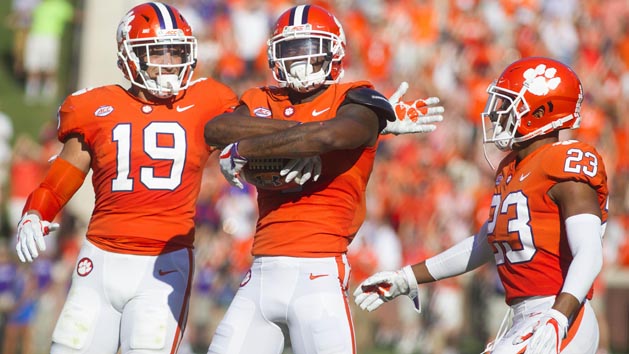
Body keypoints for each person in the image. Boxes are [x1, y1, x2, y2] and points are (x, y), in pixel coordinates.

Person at [202, 4, 444, 354]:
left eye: (311, 48)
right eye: (291, 49)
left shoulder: (355, 96)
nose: (301, 59)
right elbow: (218, 128)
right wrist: (301, 139)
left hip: (319, 272)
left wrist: (251, 148)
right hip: (260, 272)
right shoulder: (262, 98)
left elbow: (333, 137)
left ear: (335, 52)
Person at [13, 2, 242, 353]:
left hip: (163, 266)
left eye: (176, 52)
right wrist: (36, 211)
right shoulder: (95, 107)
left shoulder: (207, 99)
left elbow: (247, 130)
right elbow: (63, 174)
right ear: (128, 57)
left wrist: (239, 149)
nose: (169, 63)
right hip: (99, 260)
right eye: (157, 53)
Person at [353, 56, 609, 354]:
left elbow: (590, 252)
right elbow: (486, 241)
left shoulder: (565, 162)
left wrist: (559, 316)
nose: (498, 114)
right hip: (525, 316)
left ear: (541, 112)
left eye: (509, 105)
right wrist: (407, 277)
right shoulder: (511, 167)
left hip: (560, 311)